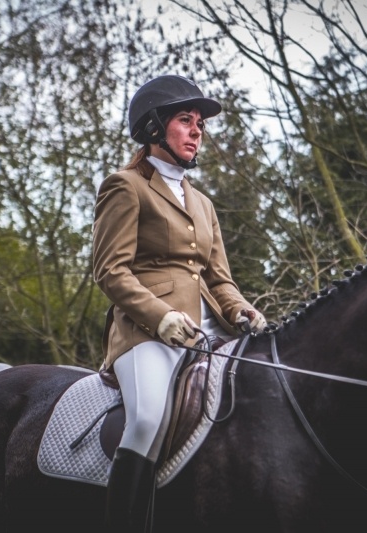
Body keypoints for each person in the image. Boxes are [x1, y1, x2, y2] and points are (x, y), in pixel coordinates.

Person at [93, 74, 266, 531]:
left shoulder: (204, 204)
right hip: (146, 332)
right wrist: (161, 316)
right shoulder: (125, 185)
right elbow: (110, 271)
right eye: (186, 121)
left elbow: (219, 279)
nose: (197, 131)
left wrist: (240, 310)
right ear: (155, 128)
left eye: (200, 124)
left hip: (210, 334)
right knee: (148, 417)